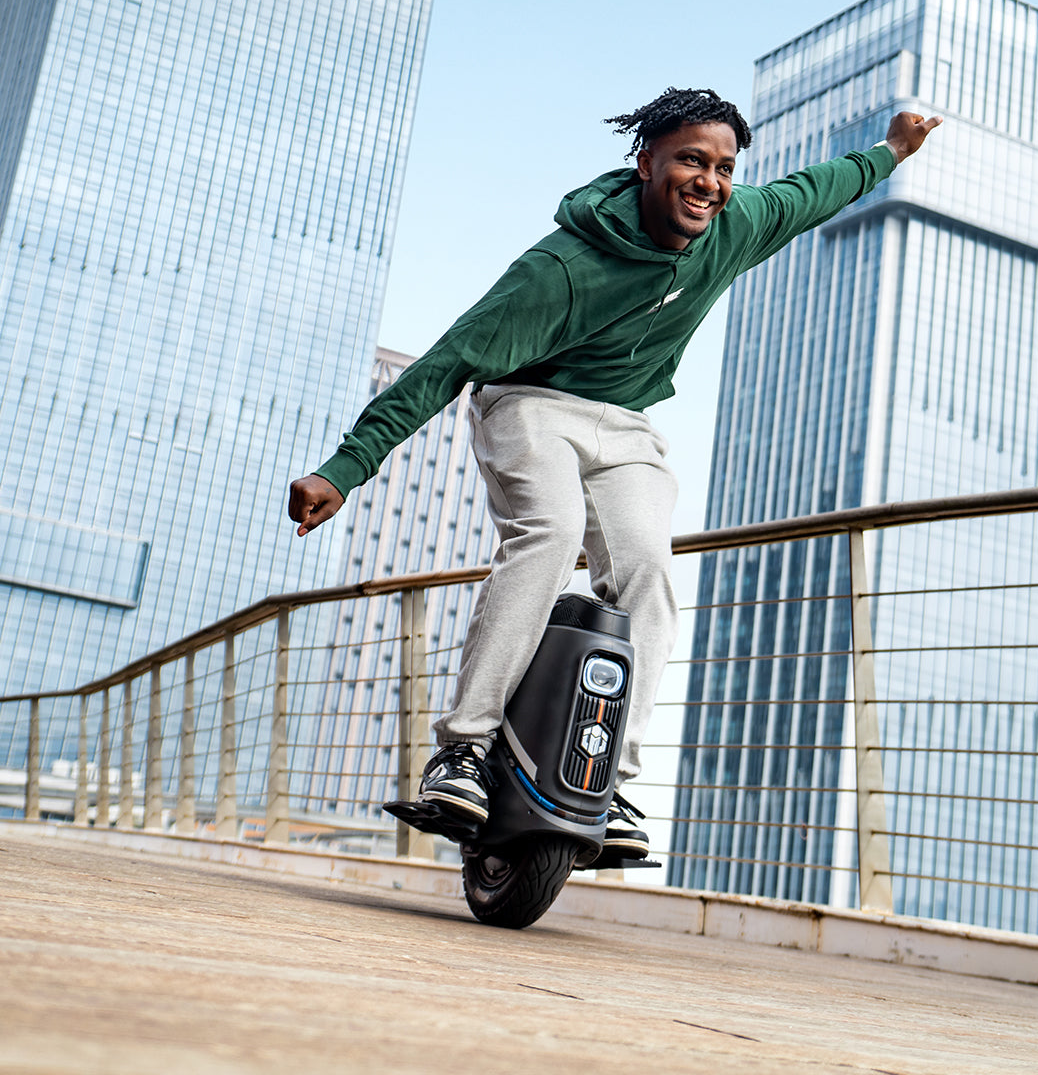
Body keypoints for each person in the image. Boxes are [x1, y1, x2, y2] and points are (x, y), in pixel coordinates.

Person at [288, 87, 941, 857]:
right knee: (550, 532)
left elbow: (813, 190)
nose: (709, 181)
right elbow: (447, 363)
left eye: (724, 167)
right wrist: (346, 467)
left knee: (650, 573)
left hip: (626, 424)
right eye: (691, 161)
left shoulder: (737, 224)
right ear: (646, 164)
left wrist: (892, 150)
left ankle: (609, 781)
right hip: (530, 402)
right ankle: (461, 750)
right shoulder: (560, 267)